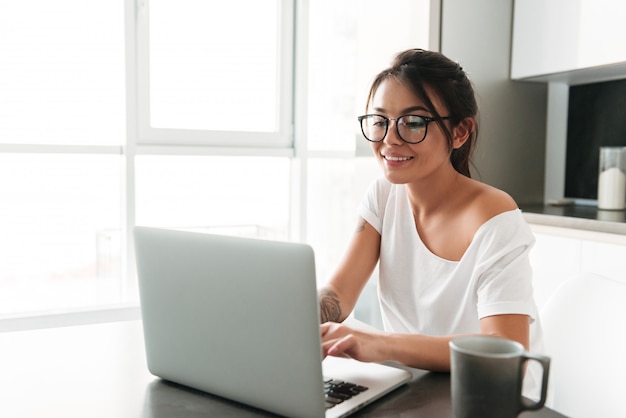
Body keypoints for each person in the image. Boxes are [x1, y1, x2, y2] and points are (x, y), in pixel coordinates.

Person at [319, 49, 543, 381]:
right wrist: (295, 316)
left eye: (413, 122)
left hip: (493, 393)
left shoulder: (496, 219)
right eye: (380, 121)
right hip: (417, 386)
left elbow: (506, 347)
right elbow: (338, 295)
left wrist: (383, 344)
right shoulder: (382, 195)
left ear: (460, 132)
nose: (389, 140)